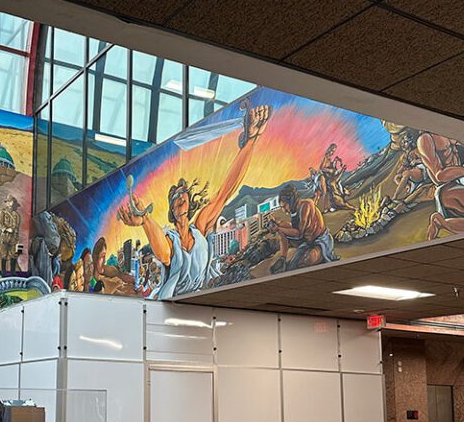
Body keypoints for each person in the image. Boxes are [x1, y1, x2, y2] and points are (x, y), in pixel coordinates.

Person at [117, 104, 271, 298]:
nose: (181, 197)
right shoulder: (171, 240)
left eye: (184, 194)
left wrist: (251, 140)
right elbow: (164, 254)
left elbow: (226, 191)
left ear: (190, 204)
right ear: (172, 209)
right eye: (176, 196)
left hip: (204, 299)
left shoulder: (200, 228)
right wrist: (145, 220)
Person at [415, 131, 464, 239]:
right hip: (447, 188)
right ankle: (440, 221)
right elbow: (440, 176)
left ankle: (440, 222)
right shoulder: (425, 139)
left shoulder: (448, 129)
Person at [268, 184, 338, 272]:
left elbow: (299, 234)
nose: (284, 210)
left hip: (320, 242)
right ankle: (283, 258)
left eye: (284, 206)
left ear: (291, 201)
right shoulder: (294, 211)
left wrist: (278, 228)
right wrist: (276, 224)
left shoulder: (306, 205)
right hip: (306, 242)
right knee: (282, 226)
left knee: (309, 259)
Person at [0, 194, 21, 275]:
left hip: (13, 238)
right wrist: (6, 229)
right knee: (4, 254)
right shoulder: (2, 212)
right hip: (5, 236)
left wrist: (16, 235)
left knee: (14, 255)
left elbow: (17, 226)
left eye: (12, 202)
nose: (11, 203)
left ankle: (13, 272)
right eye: (9, 202)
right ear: (6, 203)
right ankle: (3, 272)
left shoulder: (16, 215)